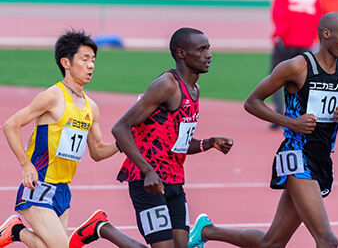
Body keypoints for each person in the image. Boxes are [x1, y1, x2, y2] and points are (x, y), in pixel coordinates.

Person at [188, 12, 338, 248]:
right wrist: (290, 122)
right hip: (295, 155)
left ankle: (207, 231)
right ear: (326, 34)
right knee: (328, 240)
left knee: (271, 243)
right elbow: (252, 102)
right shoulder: (297, 67)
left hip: (322, 158)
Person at [0, 30, 138, 247]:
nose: (91, 65)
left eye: (93, 60)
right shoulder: (53, 97)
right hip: (39, 184)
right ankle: (17, 231)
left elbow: (98, 151)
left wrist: (124, 142)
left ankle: (16, 231)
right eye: (84, 59)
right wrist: (26, 165)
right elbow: (10, 125)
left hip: (63, 191)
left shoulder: (91, 107)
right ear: (66, 62)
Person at [109, 27, 233, 248]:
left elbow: (178, 142)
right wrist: (147, 170)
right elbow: (120, 128)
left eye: (208, 49)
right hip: (148, 182)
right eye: (201, 49)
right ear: (181, 54)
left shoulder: (195, 90)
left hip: (175, 181)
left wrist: (209, 143)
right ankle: (103, 228)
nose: (208, 55)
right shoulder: (167, 85)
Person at [269, 0, 323, 125]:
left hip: (285, 43)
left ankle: (278, 115)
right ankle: (307, 115)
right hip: (307, 45)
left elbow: (279, 16)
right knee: (307, 81)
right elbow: (318, 20)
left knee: (275, 79)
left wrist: (278, 36)